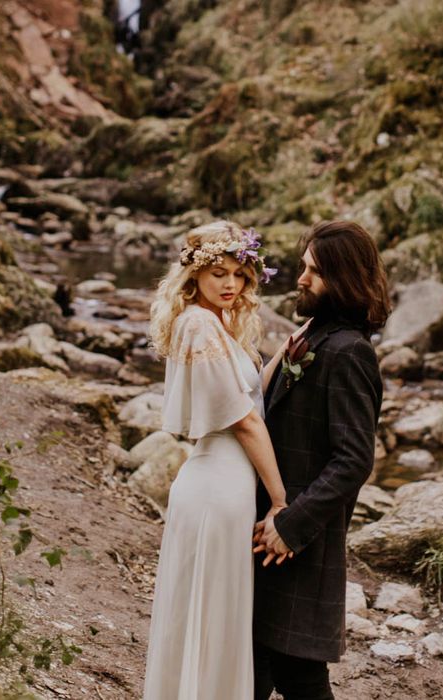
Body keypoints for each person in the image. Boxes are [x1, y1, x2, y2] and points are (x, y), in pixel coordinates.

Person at [143, 220, 288, 700]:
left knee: (213, 617)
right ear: (194, 277)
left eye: (240, 275)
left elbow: (244, 393)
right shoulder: (199, 323)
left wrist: (281, 358)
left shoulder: (215, 323)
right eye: (219, 274)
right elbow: (245, 421)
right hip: (218, 489)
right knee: (213, 617)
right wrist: (280, 498)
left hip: (221, 485)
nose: (231, 284)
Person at [253, 220, 391, 700]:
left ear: (345, 280)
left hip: (297, 540)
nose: (301, 278)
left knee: (299, 676)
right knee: (257, 663)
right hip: (271, 533)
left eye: (313, 271)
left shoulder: (350, 352)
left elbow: (353, 461)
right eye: (303, 266)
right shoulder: (316, 335)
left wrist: (291, 524)